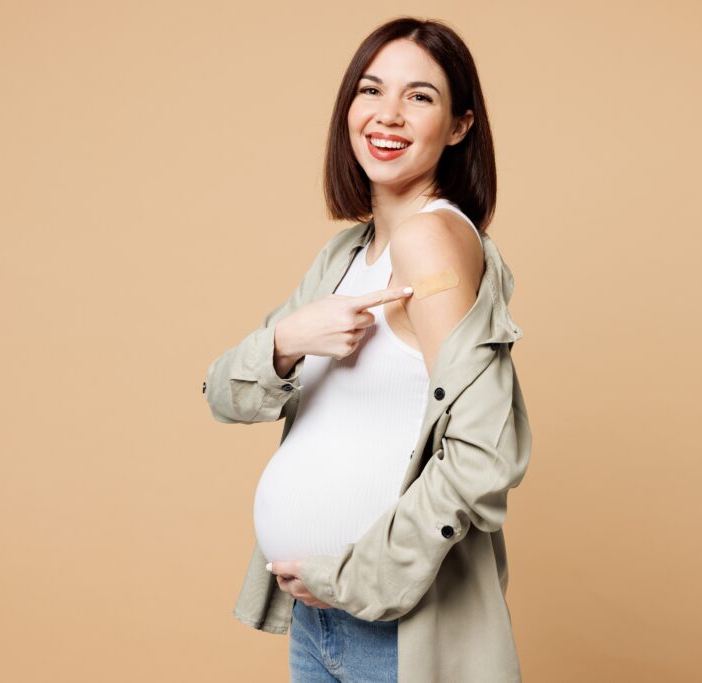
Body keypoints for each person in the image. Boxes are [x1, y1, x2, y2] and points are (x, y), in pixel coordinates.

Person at [204, 16, 531, 682]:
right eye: (371, 90)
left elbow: (484, 452)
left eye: (420, 96)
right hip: (317, 620)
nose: (388, 114)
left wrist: (363, 576)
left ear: (460, 126)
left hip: (396, 630)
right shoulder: (347, 256)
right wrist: (291, 337)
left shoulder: (429, 241)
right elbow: (222, 393)